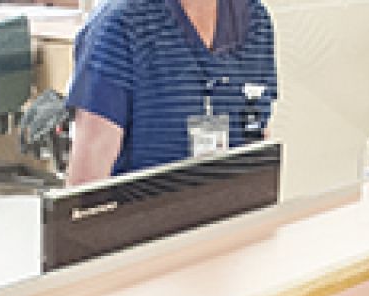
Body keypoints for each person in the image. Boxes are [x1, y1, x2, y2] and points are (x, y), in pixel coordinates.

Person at [63, 0, 278, 186]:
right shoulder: (119, 25)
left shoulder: (255, 21)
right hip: (144, 225)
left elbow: (256, 140)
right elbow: (84, 190)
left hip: (230, 223)